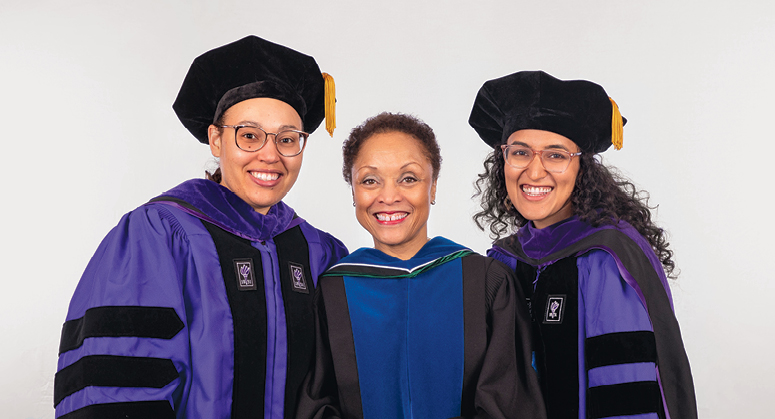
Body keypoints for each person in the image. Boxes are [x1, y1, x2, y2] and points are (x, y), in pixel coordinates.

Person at [54, 36, 348, 419]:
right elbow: (115, 388)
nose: (271, 154)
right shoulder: (158, 235)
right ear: (215, 139)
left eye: (288, 139)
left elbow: (338, 388)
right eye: (249, 135)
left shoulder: (320, 252)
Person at [468, 70, 697, 419]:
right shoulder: (505, 260)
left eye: (556, 155)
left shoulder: (604, 259)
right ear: (503, 161)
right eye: (520, 152)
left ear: (582, 169)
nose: (534, 171)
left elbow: (627, 398)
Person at [297, 112, 546, 419]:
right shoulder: (334, 291)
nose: (388, 196)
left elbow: (509, 403)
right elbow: (318, 405)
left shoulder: (485, 282)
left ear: (433, 187)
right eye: (370, 180)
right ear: (353, 191)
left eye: (409, 178)